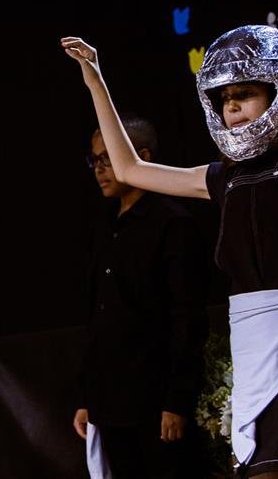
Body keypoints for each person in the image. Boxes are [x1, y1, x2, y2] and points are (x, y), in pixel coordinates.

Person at [61, 0, 278, 477]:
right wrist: (95, 80)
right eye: (225, 100)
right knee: (267, 470)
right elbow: (130, 169)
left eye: (245, 95)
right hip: (255, 344)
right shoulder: (223, 177)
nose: (233, 109)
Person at [73, 117, 206, 478]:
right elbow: (97, 317)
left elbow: (187, 317)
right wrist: (87, 398)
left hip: (154, 401)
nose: (99, 169)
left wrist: (177, 401)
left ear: (141, 157)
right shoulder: (104, 224)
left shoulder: (172, 223)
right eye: (94, 160)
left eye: (107, 158)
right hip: (109, 402)